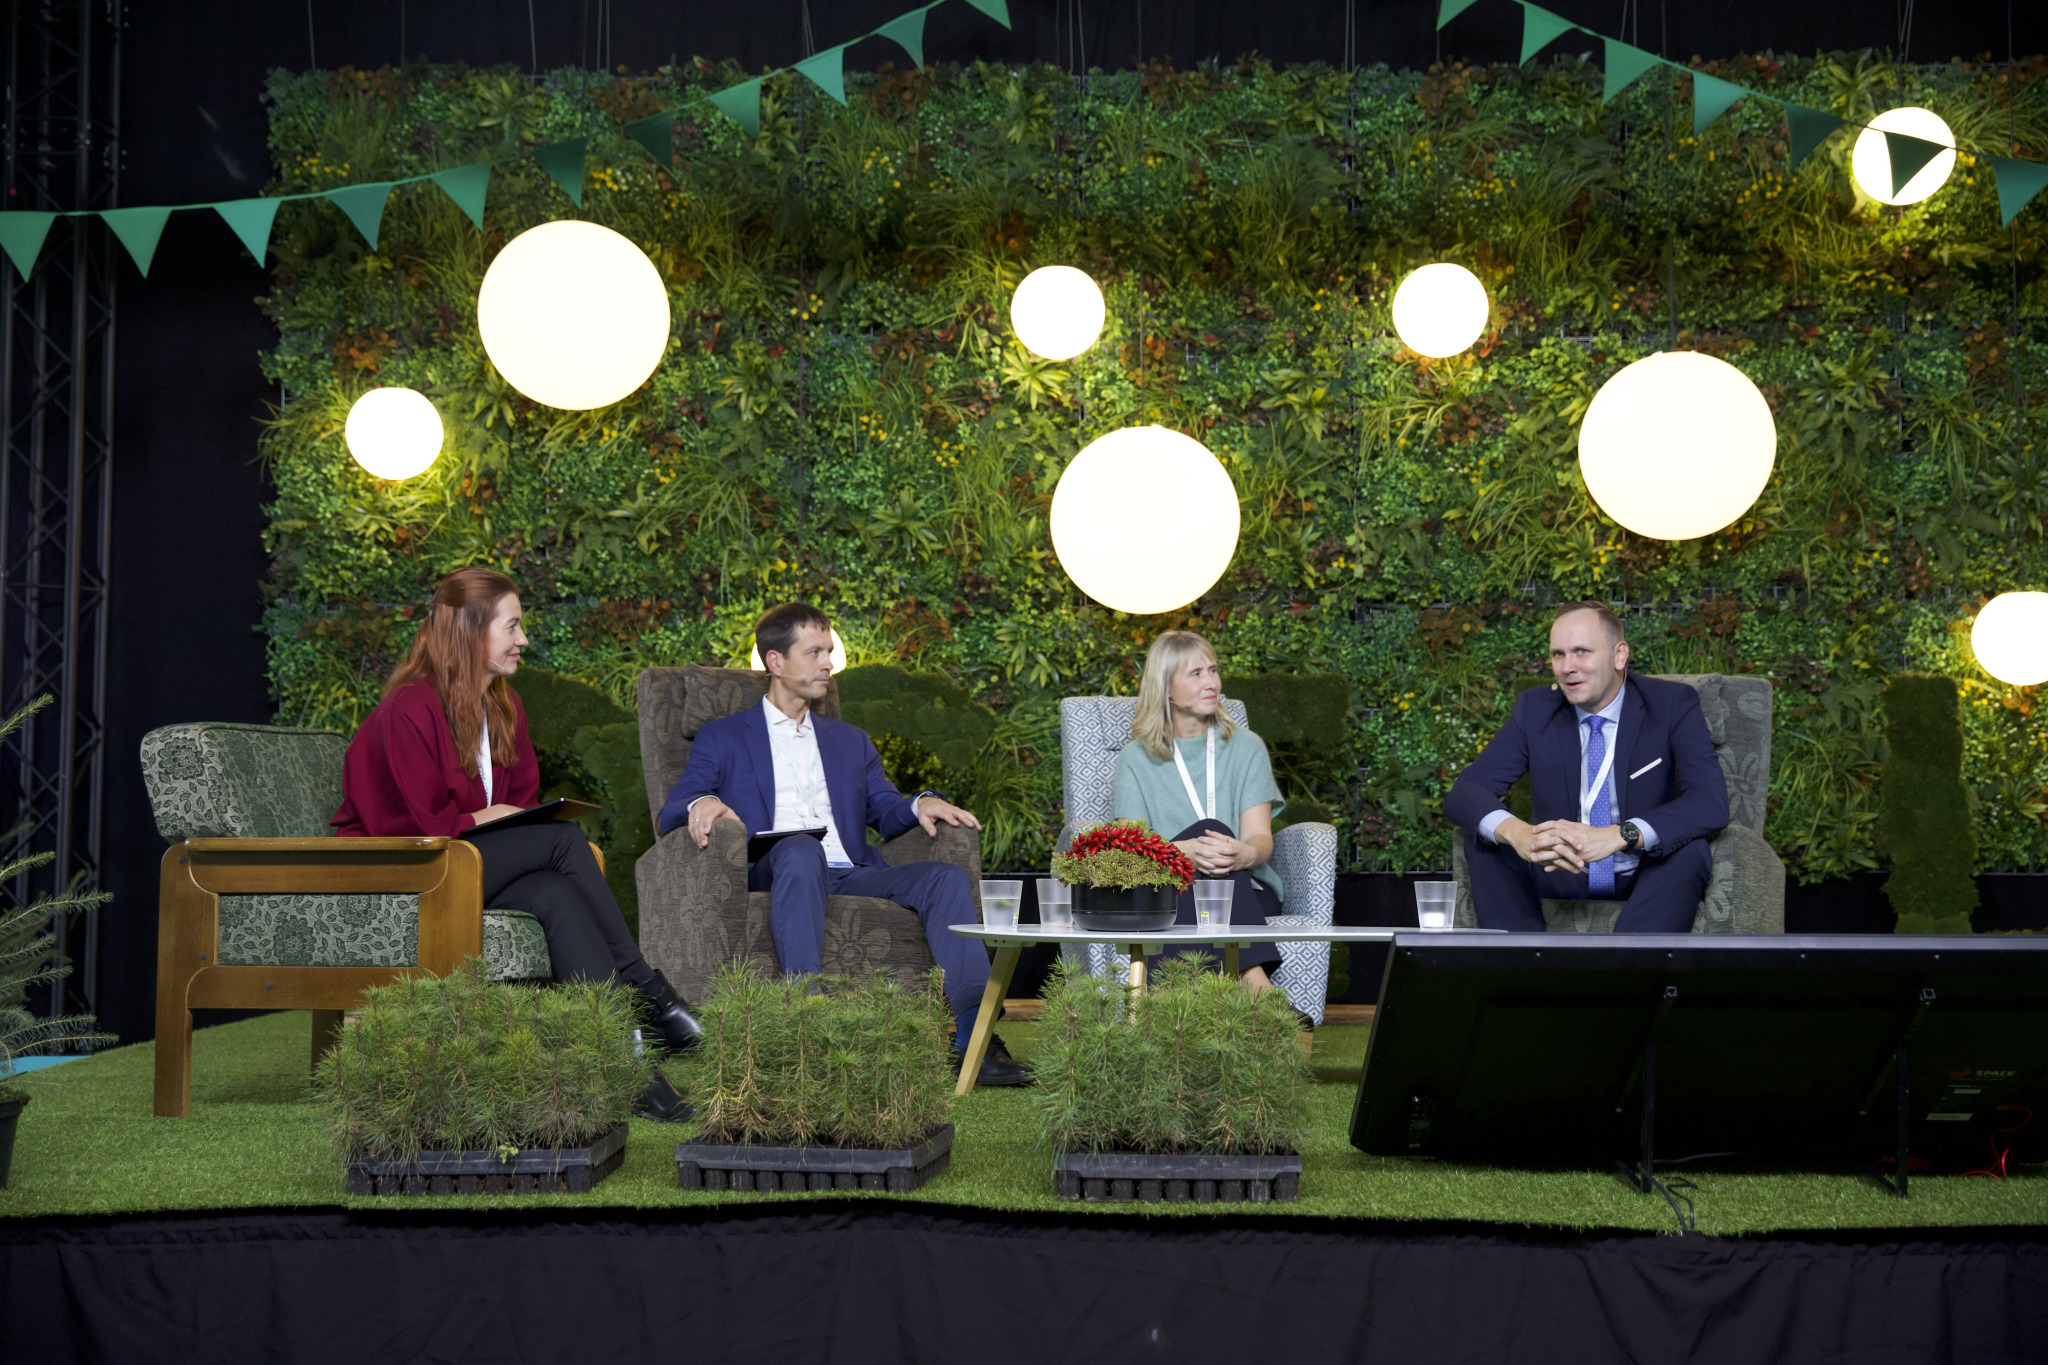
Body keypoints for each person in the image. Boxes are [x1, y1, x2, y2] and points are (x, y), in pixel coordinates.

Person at [332, 567, 701, 1122]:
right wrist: (486, 815)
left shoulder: (503, 708)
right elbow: (414, 823)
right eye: (512, 626)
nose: (523, 639)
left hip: (467, 862)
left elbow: (520, 803)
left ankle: (627, 1064)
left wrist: (500, 818)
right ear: (470, 631)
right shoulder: (409, 707)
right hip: (408, 868)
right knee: (560, 839)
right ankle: (650, 993)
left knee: (555, 891)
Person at [656, 603, 1031, 1087]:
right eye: (814, 653)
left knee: (944, 878)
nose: (828, 664)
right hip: (778, 868)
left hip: (850, 870)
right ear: (775, 662)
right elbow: (674, 807)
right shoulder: (723, 736)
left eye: (828, 652)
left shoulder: (850, 740)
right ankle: (807, 1020)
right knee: (798, 848)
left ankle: (974, 1039)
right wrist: (703, 802)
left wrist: (921, 804)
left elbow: (884, 809)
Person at [1444, 601, 1729, 932]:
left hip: (1644, 872)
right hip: (1559, 870)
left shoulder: (1670, 705)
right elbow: (1465, 792)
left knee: (1689, 851)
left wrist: (1619, 835)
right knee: (1487, 841)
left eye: (1581, 651)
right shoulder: (1536, 709)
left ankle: (1627, 970)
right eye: (1558, 654)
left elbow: (1711, 802)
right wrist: (1520, 834)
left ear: (1619, 655)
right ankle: (1523, 965)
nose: (1567, 667)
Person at [1109, 631, 1288, 1003]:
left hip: (1246, 894)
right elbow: (1130, 852)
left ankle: (1167, 1016)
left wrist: (1245, 855)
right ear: (1166, 690)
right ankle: (1258, 988)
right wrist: (1182, 851)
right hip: (1169, 890)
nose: (1212, 683)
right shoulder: (1134, 760)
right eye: (1196, 674)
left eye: (1213, 670)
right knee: (1211, 833)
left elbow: (1259, 837)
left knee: (1218, 835)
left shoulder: (1247, 747)